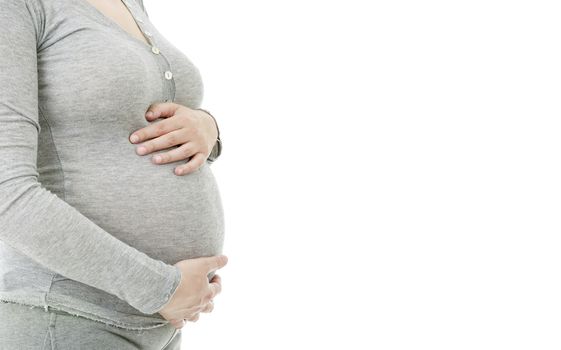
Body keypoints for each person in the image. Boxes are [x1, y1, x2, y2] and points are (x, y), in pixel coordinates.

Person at [0, 0, 228, 348]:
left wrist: (207, 129)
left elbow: (118, 132)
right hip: (67, 317)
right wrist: (161, 289)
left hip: (158, 324)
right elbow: (7, 193)